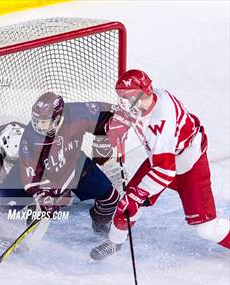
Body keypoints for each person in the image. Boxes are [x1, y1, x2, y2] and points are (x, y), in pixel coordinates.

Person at [91, 69, 230, 260]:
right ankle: (114, 242)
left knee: (206, 229)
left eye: (127, 97)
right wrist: (115, 129)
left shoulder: (162, 118)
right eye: (121, 97)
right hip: (160, 160)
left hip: (189, 164)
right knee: (127, 203)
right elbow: (124, 117)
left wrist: (139, 195)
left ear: (143, 93)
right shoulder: (141, 100)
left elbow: (165, 170)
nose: (124, 102)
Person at [18, 92, 121, 235]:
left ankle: (101, 225)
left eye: (44, 121)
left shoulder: (78, 113)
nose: (38, 126)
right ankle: (30, 228)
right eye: (36, 121)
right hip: (51, 177)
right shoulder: (29, 139)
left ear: (58, 117)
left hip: (77, 166)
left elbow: (114, 114)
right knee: (43, 210)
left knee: (111, 199)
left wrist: (105, 138)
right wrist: (43, 195)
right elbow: (31, 175)